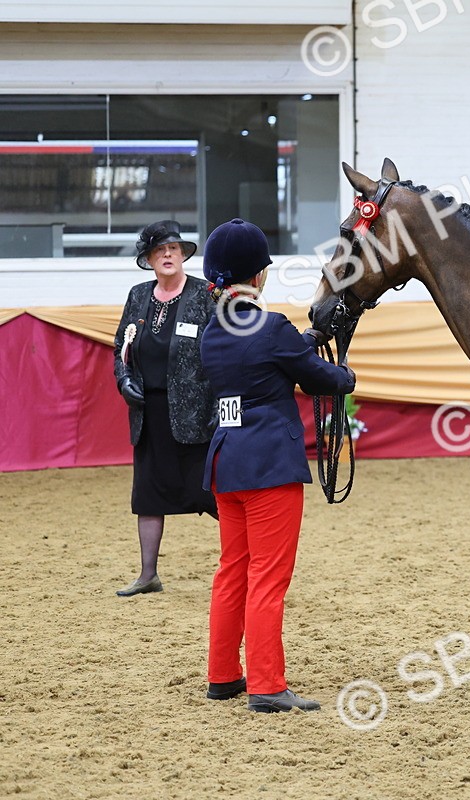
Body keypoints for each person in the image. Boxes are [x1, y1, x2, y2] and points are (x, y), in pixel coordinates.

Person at [199, 218, 355, 712]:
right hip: (269, 467)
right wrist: (345, 374)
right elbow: (317, 378)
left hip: (227, 462)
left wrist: (306, 339)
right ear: (259, 276)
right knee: (269, 577)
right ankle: (267, 684)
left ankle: (223, 674)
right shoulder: (271, 328)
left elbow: (275, 357)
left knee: (233, 571)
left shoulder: (212, 332)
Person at [113, 220, 217, 597]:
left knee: (216, 494)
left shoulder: (207, 294)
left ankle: (250, 569)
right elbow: (120, 347)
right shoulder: (138, 296)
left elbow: (221, 349)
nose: (168, 255)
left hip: (195, 414)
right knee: (148, 496)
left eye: (174, 248)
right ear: (149, 258)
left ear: (183, 254)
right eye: (160, 250)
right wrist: (124, 380)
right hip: (149, 413)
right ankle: (147, 575)